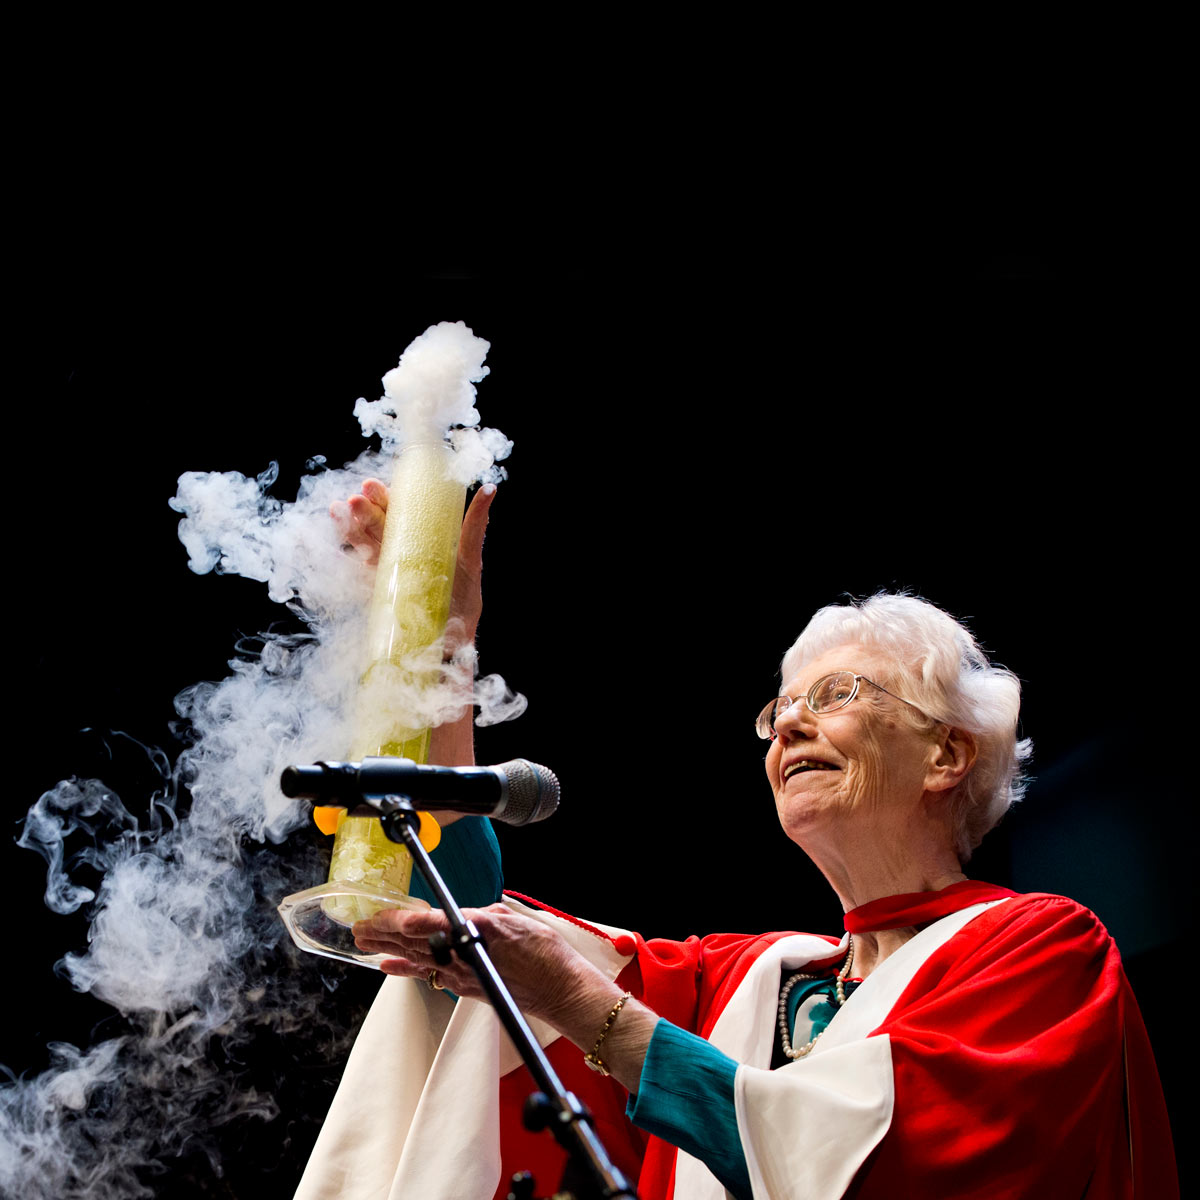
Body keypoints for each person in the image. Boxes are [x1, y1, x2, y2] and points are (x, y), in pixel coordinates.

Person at [298, 482, 1178, 1200]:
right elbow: (468, 926)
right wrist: (437, 644)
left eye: (836, 696)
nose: (789, 728)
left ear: (947, 752)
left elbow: (891, 1163)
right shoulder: (746, 977)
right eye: (779, 710)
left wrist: (573, 995)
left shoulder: (1041, 946)